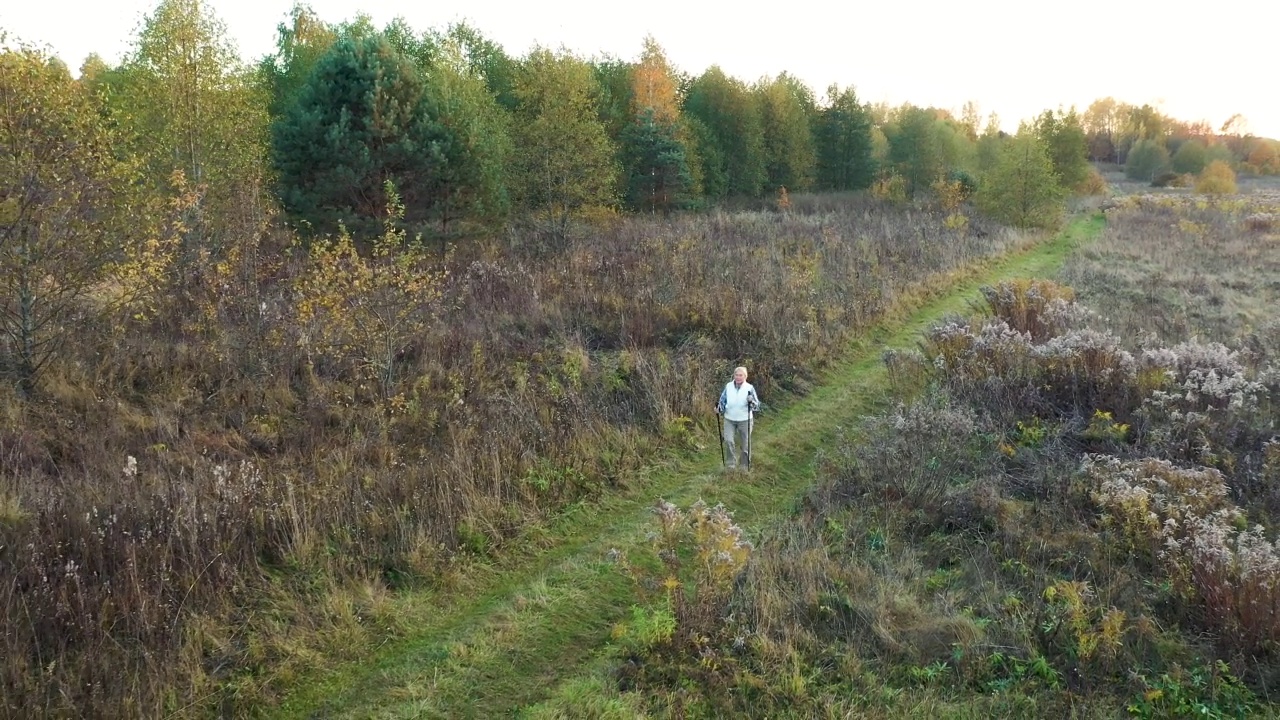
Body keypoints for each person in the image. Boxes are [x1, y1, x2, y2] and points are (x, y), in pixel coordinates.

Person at [715, 366, 760, 470]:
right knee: (728, 440)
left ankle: (744, 466)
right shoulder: (728, 386)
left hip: (745, 419)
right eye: (736, 375)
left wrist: (751, 401)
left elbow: (757, 406)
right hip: (729, 419)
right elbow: (722, 401)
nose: (738, 377)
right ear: (733, 376)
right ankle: (731, 464)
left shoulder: (749, 388)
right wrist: (718, 409)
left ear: (745, 376)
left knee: (745, 443)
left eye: (741, 375)